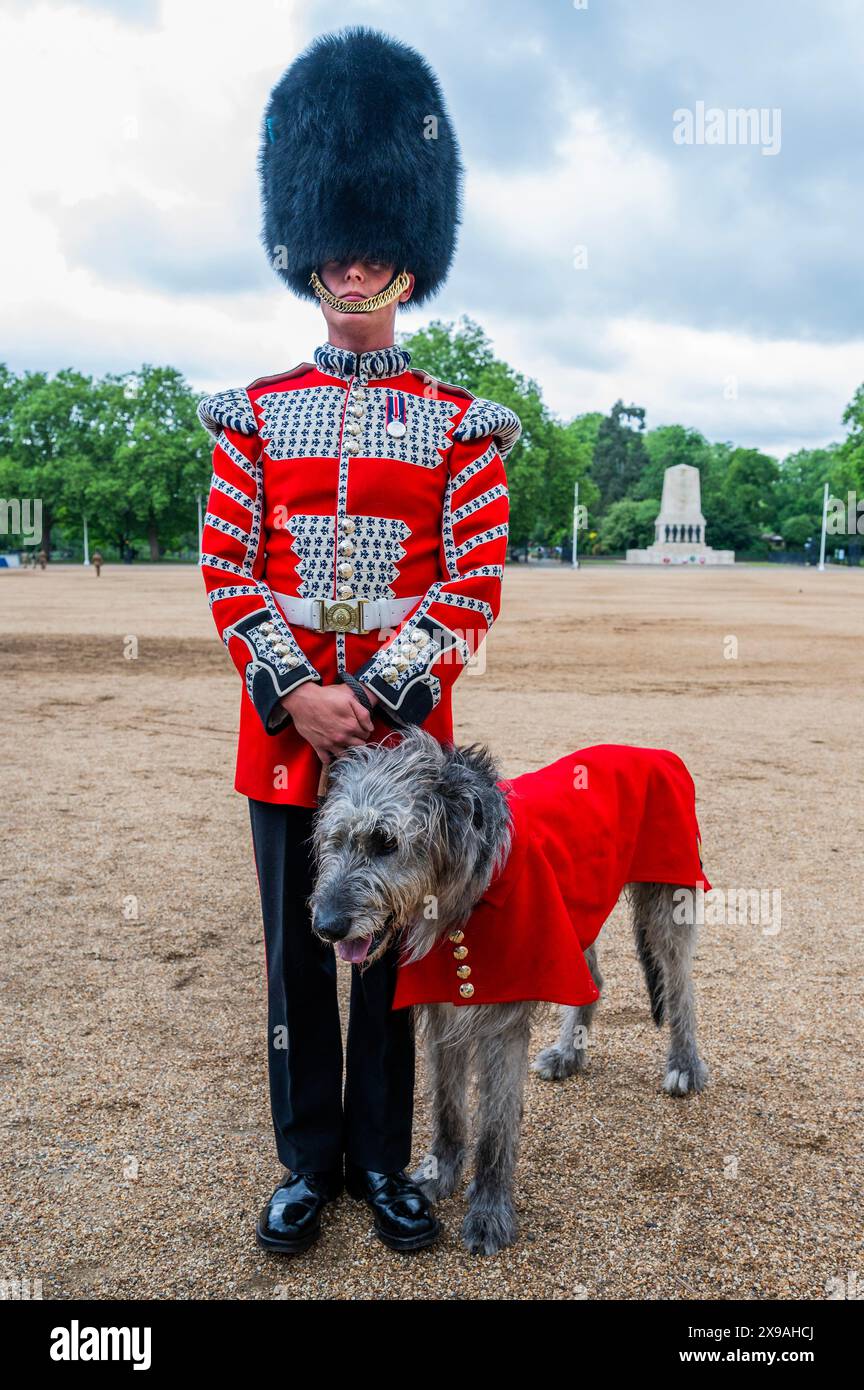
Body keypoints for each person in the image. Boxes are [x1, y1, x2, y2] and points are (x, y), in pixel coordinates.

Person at [197, 26, 520, 1255]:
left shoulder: (461, 423)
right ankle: (309, 1158)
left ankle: (389, 1162)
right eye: (333, 243)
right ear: (308, 252)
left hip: (404, 729)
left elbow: (471, 581)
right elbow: (229, 570)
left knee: (390, 953)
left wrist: (377, 700)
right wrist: (296, 693)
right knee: (298, 957)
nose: (353, 263)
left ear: (413, 255)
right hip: (284, 734)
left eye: (377, 242)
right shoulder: (255, 417)